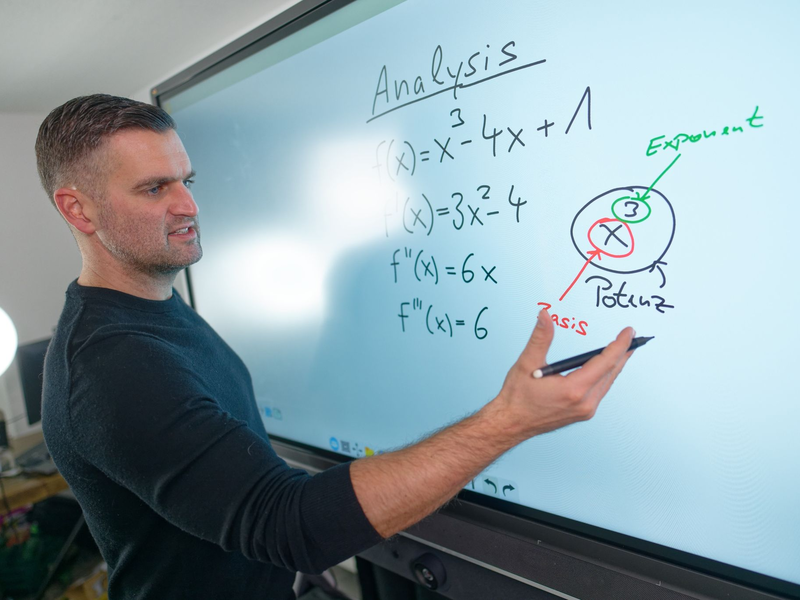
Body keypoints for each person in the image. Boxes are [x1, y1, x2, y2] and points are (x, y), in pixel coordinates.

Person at [36, 94, 634, 599]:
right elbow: (288, 526)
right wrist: (507, 422)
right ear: (77, 209)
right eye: (153, 188)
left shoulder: (153, 308)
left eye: (186, 181)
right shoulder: (110, 368)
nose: (188, 205)